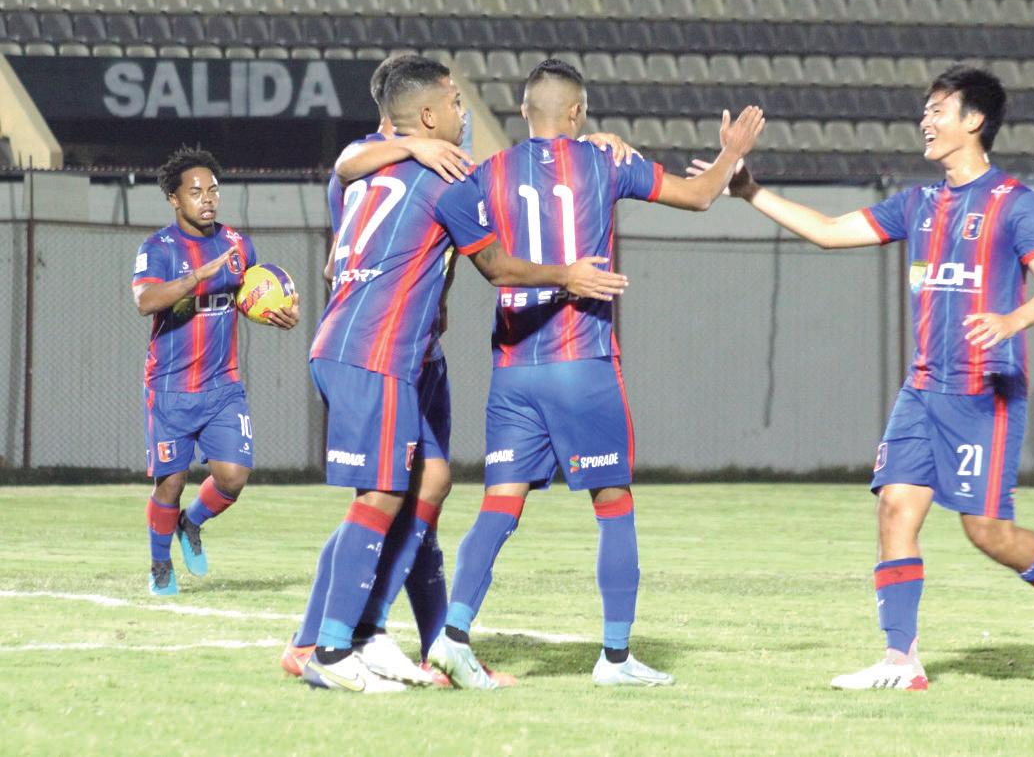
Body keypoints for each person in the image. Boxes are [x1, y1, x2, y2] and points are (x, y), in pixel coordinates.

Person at [690, 64, 1034, 690]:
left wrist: (1010, 320)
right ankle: (901, 661)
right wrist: (751, 190)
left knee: (989, 533)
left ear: (974, 120)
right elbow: (830, 232)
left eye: (938, 109)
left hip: (984, 392)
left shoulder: (1015, 202)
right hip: (922, 389)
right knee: (895, 507)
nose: (925, 119)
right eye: (925, 109)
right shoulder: (918, 204)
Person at [425, 58, 765, 689]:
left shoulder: (486, 173)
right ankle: (614, 657)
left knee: (499, 506)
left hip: (513, 369)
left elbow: (477, 251)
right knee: (613, 505)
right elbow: (698, 195)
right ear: (578, 112)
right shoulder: (605, 161)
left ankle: (452, 636)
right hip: (581, 363)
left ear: (524, 112)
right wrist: (731, 153)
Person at [297, 55, 630, 693]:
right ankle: (329, 649)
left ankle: (367, 634)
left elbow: (343, 185)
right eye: (455, 102)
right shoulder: (445, 177)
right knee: (380, 496)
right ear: (427, 116)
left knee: (429, 482)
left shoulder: (367, 170)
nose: (463, 112)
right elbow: (500, 263)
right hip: (378, 349)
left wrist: (585, 144)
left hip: (368, 345)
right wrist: (570, 260)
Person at [131, 146, 300, 596]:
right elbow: (145, 301)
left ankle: (191, 523)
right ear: (174, 198)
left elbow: (248, 298)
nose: (207, 199)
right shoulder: (158, 248)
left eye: (213, 190)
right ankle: (160, 565)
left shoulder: (238, 245)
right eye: (196, 192)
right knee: (170, 483)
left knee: (233, 477)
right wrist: (196, 277)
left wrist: (277, 312)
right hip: (170, 389)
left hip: (223, 386)